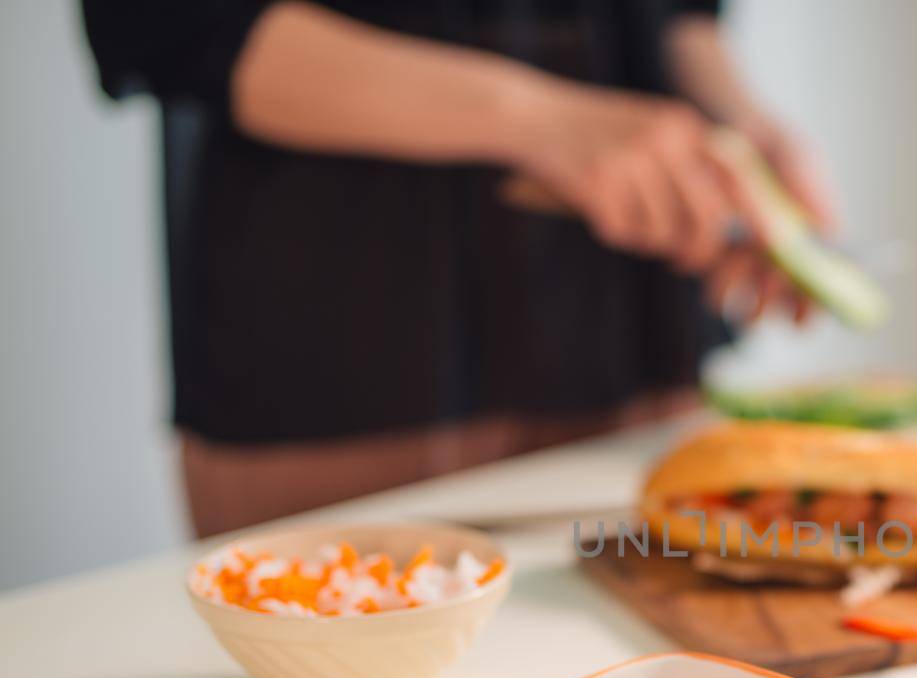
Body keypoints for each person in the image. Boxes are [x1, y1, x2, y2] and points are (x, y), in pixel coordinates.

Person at [80, 0, 833, 536]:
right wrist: (545, 122)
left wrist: (738, 129)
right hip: (339, 361)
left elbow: (677, 11)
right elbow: (172, 21)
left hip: (630, 350)